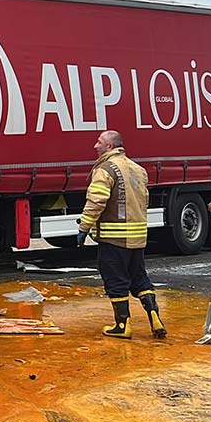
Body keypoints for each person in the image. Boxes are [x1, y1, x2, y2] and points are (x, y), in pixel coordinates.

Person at [78, 130, 166, 339]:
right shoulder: (138, 169)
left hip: (114, 237)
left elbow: (96, 201)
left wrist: (84, 227)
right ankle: (154, 316)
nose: (95, 146)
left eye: (99, 142)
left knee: (115, 280)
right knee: (140, 279)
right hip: (136, 237)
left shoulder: (105, 169)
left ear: (109, 146)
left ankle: (122, 326)